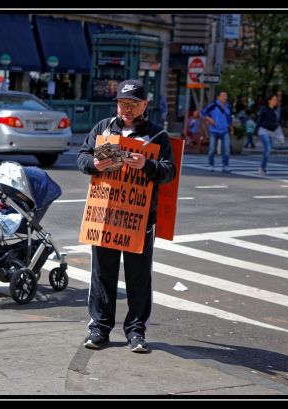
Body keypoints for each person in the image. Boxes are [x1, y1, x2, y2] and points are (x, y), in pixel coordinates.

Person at [77, 79, 176, 353]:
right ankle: (99, 328)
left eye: (133, 104)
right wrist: (94, 164)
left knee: (138, 277)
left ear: (145, 105)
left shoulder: (157, 136)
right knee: (102, 274)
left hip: (140, 219)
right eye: (123, 104)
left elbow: (169, 171)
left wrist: (148, 165)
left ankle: (136, 331)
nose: (127, 109)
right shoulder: (103, 129)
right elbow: (82, 157)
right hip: (105, 215)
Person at [201, 90, 233, 172]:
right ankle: (211, 165)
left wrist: (231, 129)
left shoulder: (228, 106)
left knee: (226, 149)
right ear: (218, 97)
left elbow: (229, 119)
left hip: (224, 130)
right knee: (211, 148)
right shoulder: (213, 105)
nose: (225, 97)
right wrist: (209, 119)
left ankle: (225, 166)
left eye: (226, 96)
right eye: (223, 96)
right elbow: (202, 113)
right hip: (214, 130)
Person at [255, 93, 279, 176]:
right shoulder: (264, 109)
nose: (276, 101)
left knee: (267, 151)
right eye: (274, 99)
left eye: (276, 100)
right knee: (268, 148)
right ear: (269, 101)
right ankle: (261, 168)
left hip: (272, 132)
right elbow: (259, 119)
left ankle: (263, 168)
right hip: (263, 130)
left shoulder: (276, 110)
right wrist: (256, 130)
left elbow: (276, 121)